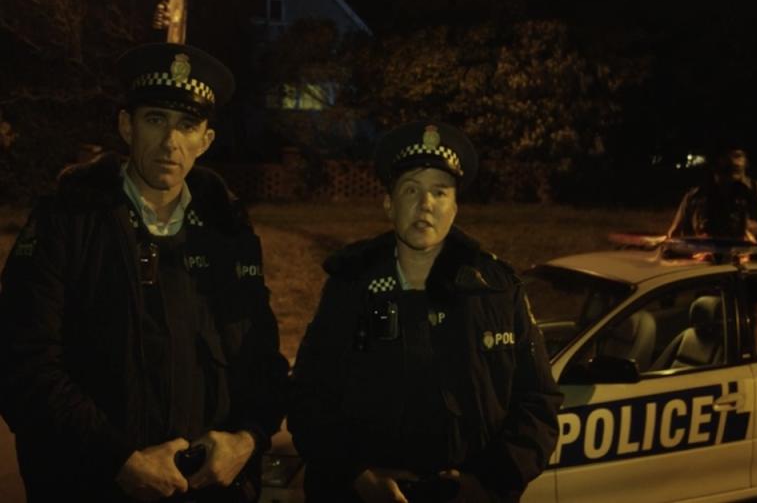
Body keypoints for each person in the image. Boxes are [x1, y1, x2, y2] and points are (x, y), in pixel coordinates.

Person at [0, 42, 289, 502]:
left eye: (187, 125)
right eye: (155, 119)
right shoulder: (68, 220)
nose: (170, 142)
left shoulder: (228, 232)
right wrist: (118, 461)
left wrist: (248, 439)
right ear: (126, 126)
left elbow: (261, 360)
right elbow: (22, 363)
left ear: (205, 141)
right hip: (91, 485)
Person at [288, 121, 562, 503]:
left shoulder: (497, 290)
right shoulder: (350, 288)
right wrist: (355, 476)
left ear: (455, 207)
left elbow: (537, 401)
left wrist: (487, 483)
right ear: (389, 204)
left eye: (439, 192)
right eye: (412, 190)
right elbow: (309, 398)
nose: (426, 205)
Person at [666, 141, 757, 263]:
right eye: (725, 155)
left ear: (746, 161)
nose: (733, 161)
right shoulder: (695, 199)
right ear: (714, 163)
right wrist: (696, 250)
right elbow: (671, 246)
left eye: (737, 155)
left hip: (754, 288)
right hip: (706, 287)